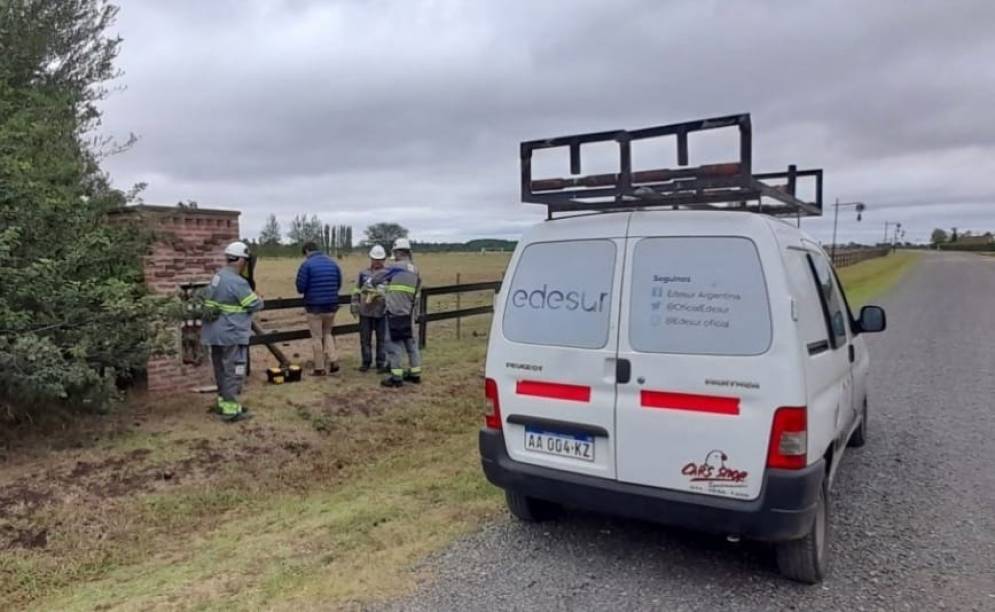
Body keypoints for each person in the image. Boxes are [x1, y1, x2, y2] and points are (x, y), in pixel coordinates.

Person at [202, 241, 264, 422]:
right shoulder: (238, 282)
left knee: (220, 368)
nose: (246, 264)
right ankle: (231, 411)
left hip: (215, 333)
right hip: (231, 333)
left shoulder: (218, 276)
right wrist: (260, 299)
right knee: (233, 370)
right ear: (240, 260)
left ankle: (225, 403)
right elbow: (252, 303)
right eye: (245, 260)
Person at [379, 238, 423, 388]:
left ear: (398, 252)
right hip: (409, 313)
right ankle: (415, 373)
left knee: (393, 345)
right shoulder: (415, 270)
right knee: (411, 345)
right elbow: (416, 293)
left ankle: (396, 378)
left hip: (394, 312)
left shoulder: (395, 268)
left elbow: (378, 280)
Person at [295, 241, 342, 375]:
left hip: (314, 306)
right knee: (328, 333)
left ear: (307, 251)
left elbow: (300, 287)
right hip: (331, 305)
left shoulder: (307, 265)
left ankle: (319, 368)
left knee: (316, 337)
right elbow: (339, 283)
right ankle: (333, 359)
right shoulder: (333, 263)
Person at [351, 245, 389, 373]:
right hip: (365, 311)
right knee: (365, 338)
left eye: (380, 259)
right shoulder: (363, 274)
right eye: (375, 259)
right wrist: (355, 304)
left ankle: (380, 363)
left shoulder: (389, 274)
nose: (377, 262)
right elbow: (357, 289)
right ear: (371, 259)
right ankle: (366, 362)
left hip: (382, 312)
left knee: (381, 339)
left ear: (384, 259)